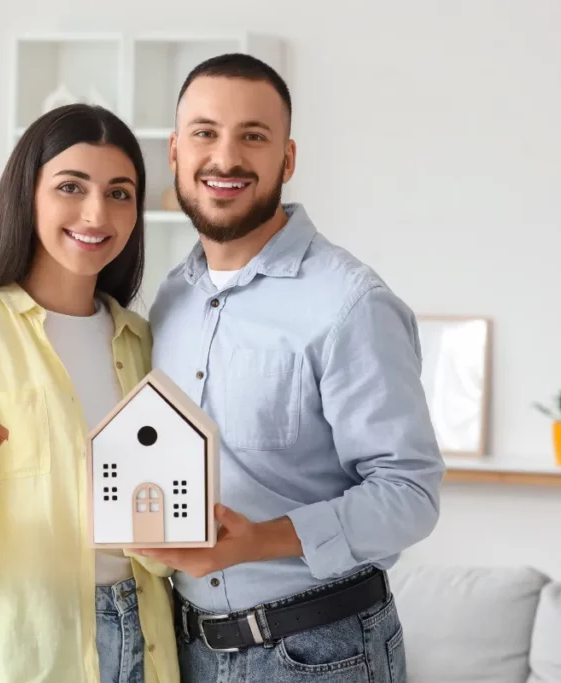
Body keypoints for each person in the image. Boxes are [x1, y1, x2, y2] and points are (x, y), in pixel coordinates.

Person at [138, 53, 445, 682]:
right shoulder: (170, 299)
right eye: (204, 133)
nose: (225, 158)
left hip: (319, 654)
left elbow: (411, 495)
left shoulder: (350, 302)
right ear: (174, 152)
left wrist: (263, 539)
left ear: (288, 158)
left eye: (253, 136)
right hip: (184, 648)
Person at [0, 103, 179, 683]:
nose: (96, 213)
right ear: (29, 194)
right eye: (71, 187)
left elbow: (155, 538)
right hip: (21, 655)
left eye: (120, 193)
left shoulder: (143, 343)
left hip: (146, 644)